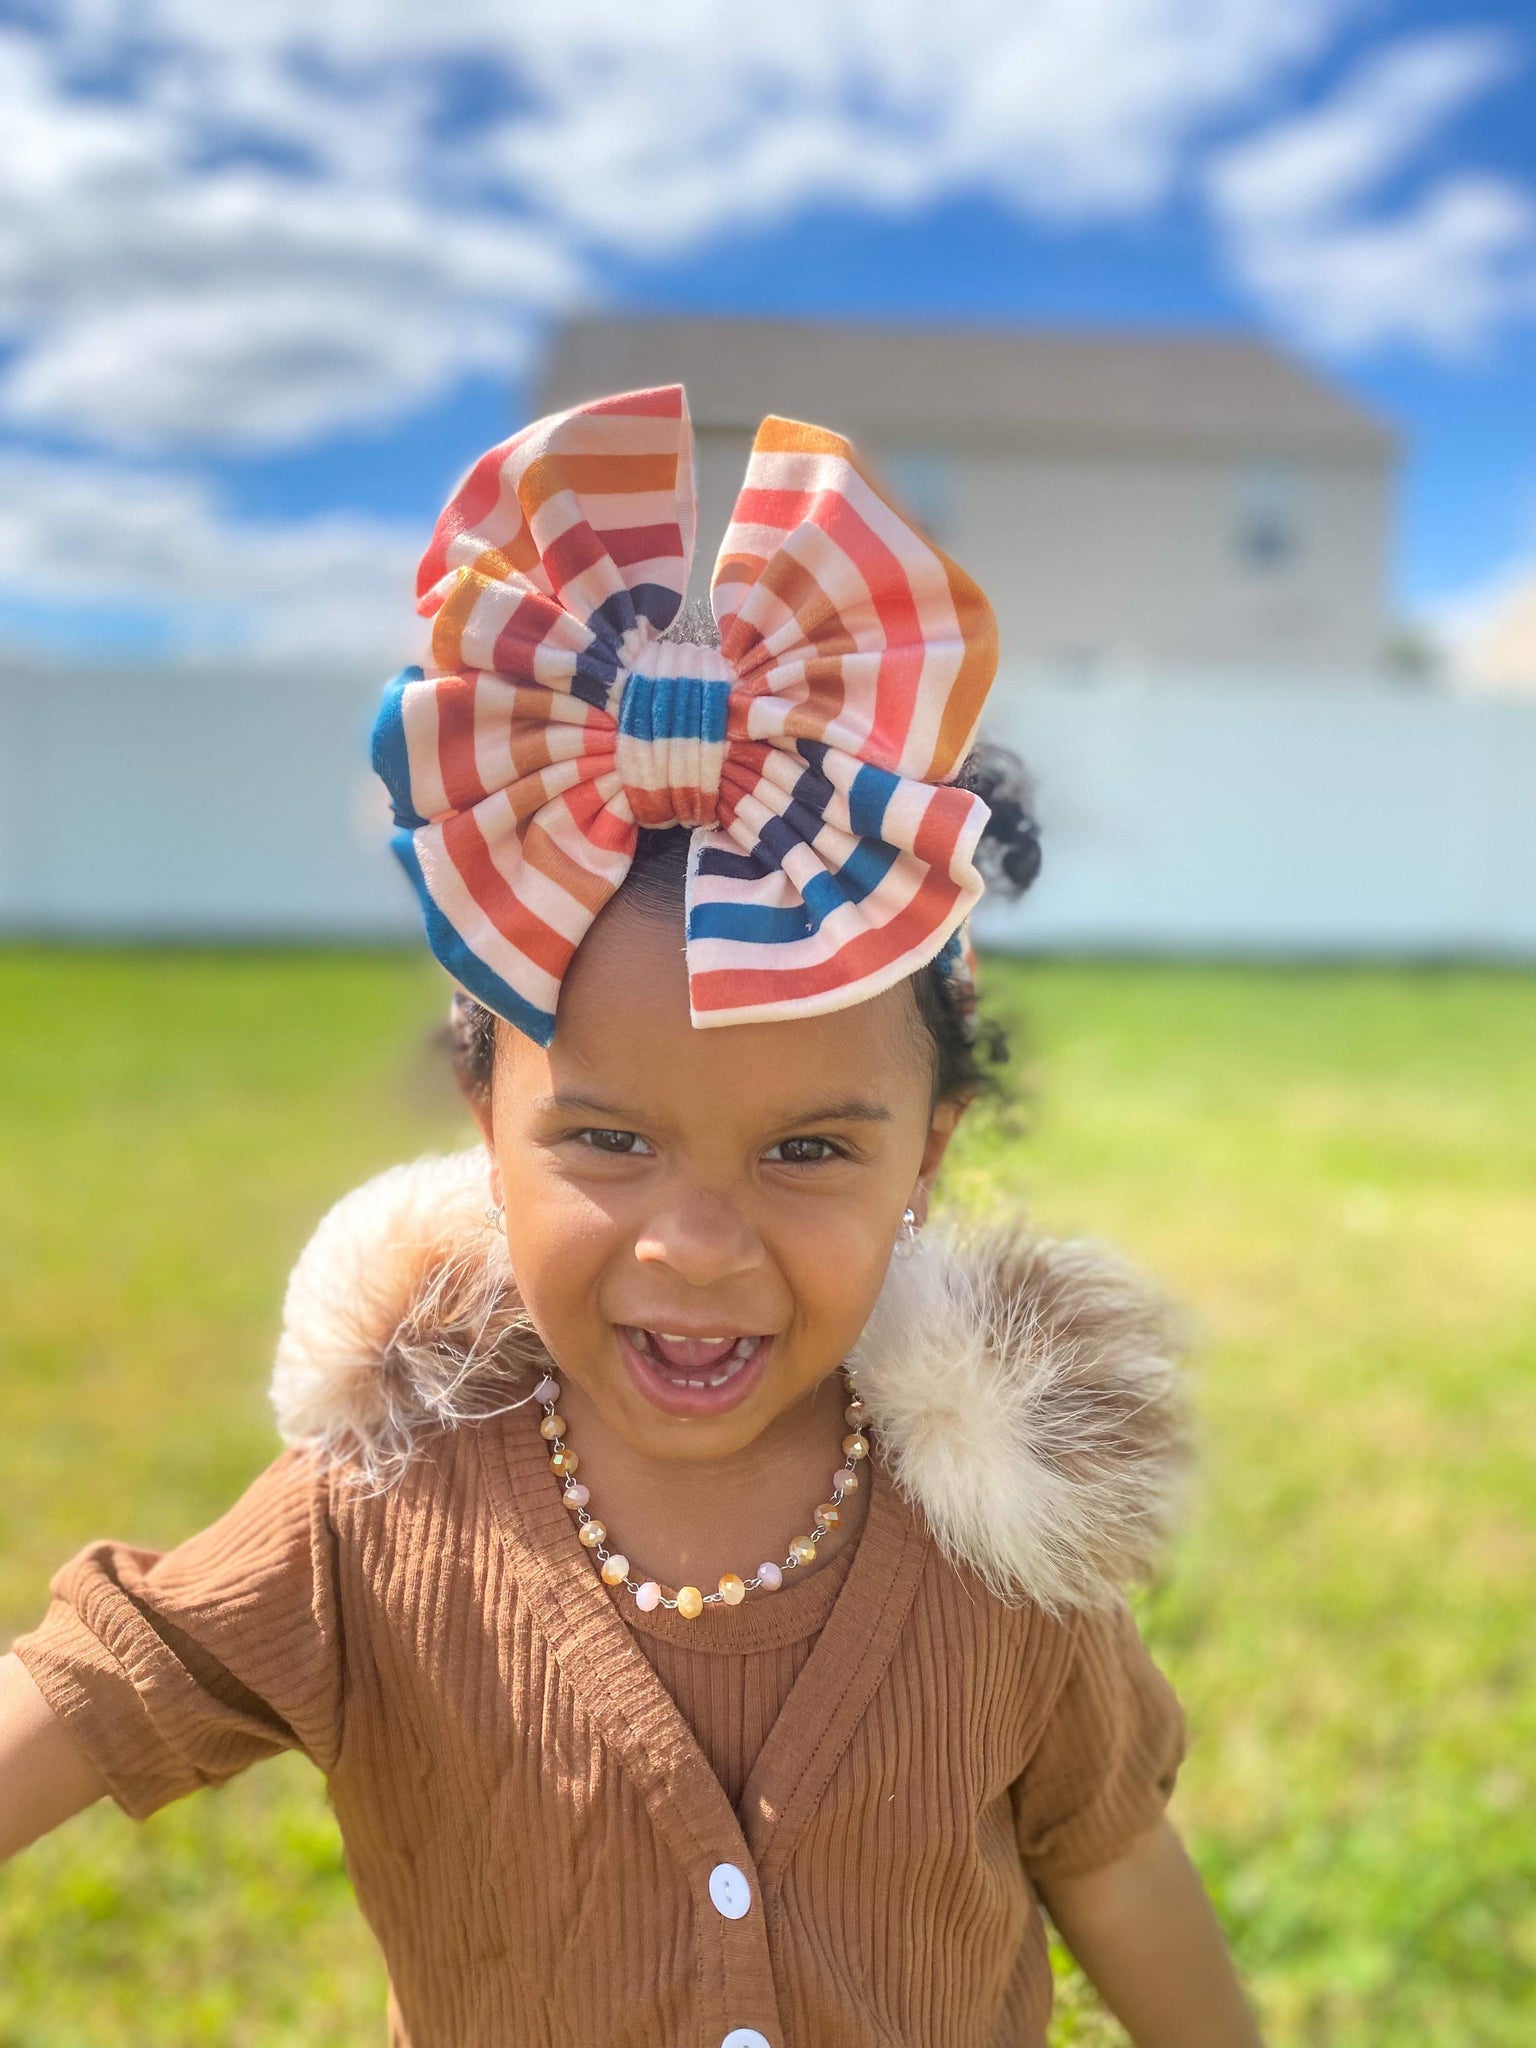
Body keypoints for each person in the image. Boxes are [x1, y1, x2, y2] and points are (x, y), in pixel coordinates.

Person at [0, 387, 1263, 2047]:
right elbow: (94, 1696)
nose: (697, 1247)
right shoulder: (377, 1512)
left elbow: (1111, 1863)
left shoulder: (995, 1541)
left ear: (932, 1151)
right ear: (485, 1126)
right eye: (606, 1139)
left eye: (810, 1154)